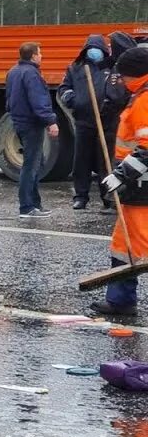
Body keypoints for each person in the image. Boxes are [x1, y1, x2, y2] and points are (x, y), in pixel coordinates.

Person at [91, 45, 148, 315]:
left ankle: (122, 300)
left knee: (132, 244)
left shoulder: (145, 100)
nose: (121, 82)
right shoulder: (139, 96)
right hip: (136, 187)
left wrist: (121, 175)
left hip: (141, 187)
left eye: (124, 76)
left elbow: (147, 148)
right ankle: (120, 300)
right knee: (123, 244)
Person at [59, 34, 129, 210]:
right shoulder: (76, 68)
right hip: (84, 121)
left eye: (96, 49)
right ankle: (80, 196)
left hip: (107, 121)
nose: (93, 52)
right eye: (90, 49)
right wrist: (73, 100)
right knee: (81, 161)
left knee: (105, 161)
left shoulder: (110, 67)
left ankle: (107, 196)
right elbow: (64, 88)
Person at [4, 42, 60, 219]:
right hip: (31, 124)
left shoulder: (13, 72)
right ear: (33, 56)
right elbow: (38, 100)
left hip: (20, 122)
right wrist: (51, 121)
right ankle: (27, 207)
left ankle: (34, 204)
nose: (41, 56)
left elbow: (8, 98)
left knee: (37, 162)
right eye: (40, 53)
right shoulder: (32, 74)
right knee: (31, 165)